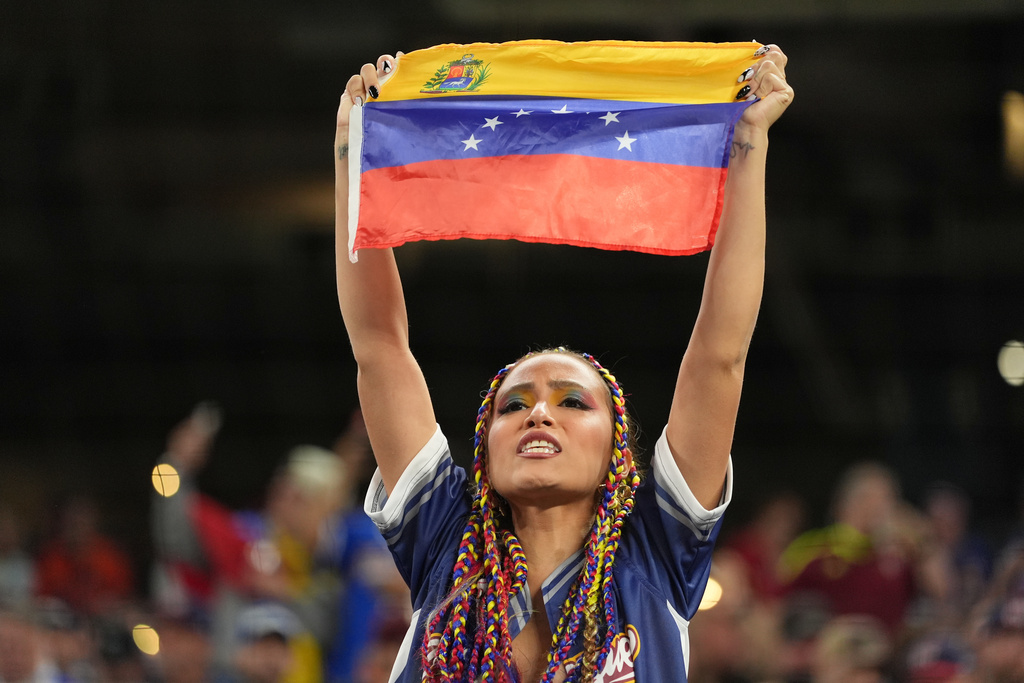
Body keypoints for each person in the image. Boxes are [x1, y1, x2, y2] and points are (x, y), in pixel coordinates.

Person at [335, 44, 793, 683]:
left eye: (572, 401)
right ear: (485, 447)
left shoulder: (656, 548)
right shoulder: (444, 536)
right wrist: (353, 154)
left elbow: (720, 356)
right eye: (513, 405)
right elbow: (380, 348)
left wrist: (748, 147)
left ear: (617, 450)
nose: (538, 414)